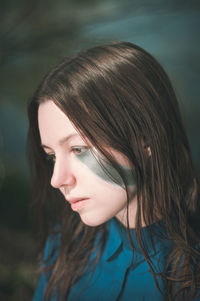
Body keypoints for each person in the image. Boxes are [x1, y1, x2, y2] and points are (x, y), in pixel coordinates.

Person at [27, 41, 200, 301]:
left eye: (78, 149)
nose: (57, 179)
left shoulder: (189, 273)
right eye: (51, 156)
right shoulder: (65, 248)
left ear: (145, 141)